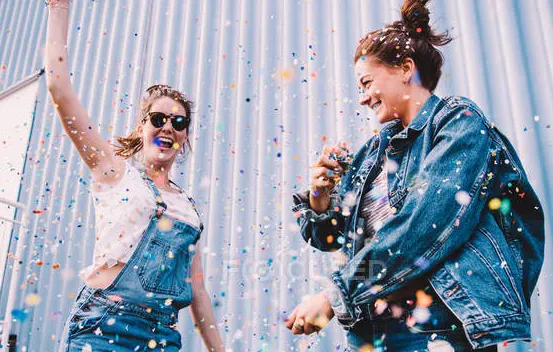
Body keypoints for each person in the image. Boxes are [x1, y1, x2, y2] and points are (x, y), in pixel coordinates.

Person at [285, 0, 544, 351]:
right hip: (371, 330)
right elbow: (332, 239)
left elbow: (426, 224)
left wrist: (335, 295)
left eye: (366, 83)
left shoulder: (458, 122)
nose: (362, 99)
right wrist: (320, 199)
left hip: (435, 326)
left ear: (406, 68)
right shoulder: (372, 153)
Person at [45, 1, 225, 351]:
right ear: (142, 127)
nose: (168, 127)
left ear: (185, 135)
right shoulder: (114, 171)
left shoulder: (188, 209)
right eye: (159, 119)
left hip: (161, 337)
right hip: (103, 329)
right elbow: (59, 88)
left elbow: (198, 291)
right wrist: (58, 7)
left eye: (179, 122)